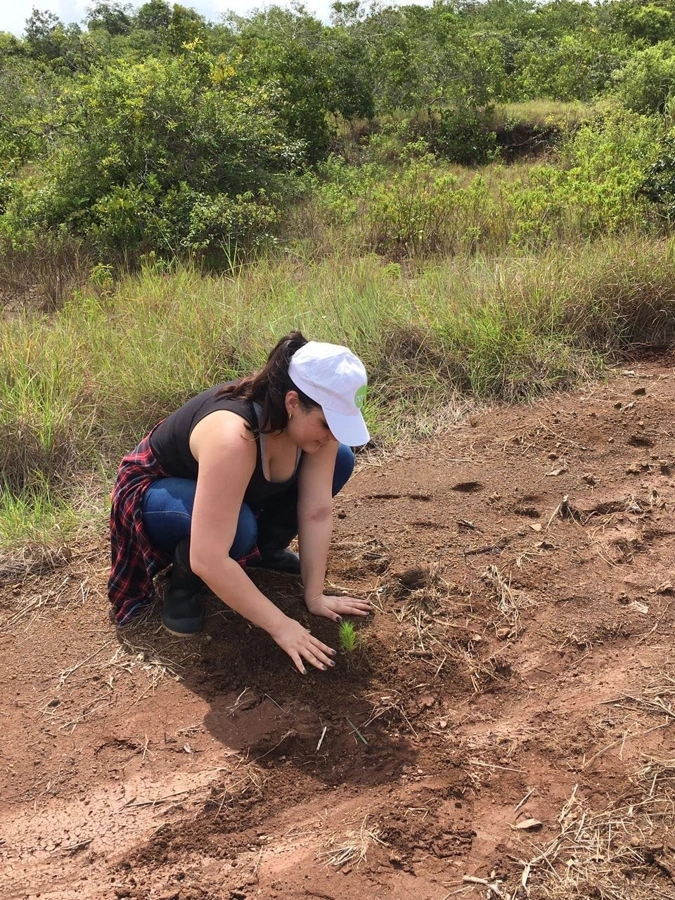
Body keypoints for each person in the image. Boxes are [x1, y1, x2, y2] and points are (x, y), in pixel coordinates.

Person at [108, 331, 373, 675]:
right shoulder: (234, 436)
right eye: (327, 424)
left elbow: (317, 510)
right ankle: (183, 586)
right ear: (292, 402)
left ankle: (263, 551)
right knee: (237, 530)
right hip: (157, 492)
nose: (331, 435)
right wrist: (282, 626)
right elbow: (209, 556)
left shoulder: (314, 429)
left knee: (340, 458)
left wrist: (315, 596)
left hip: (231, 487)